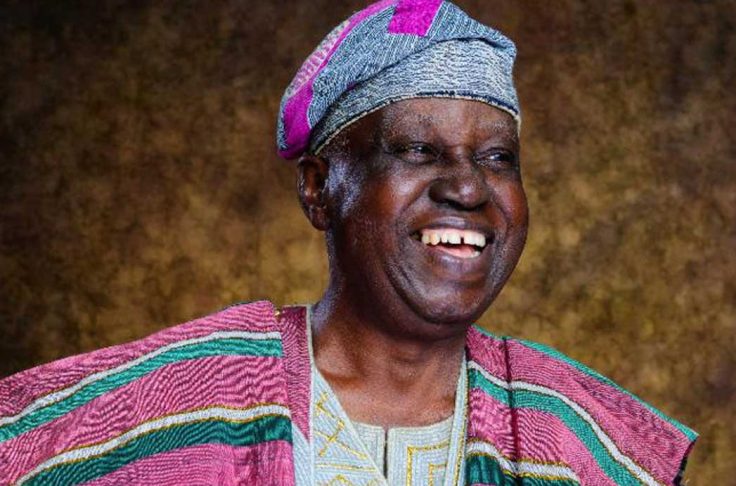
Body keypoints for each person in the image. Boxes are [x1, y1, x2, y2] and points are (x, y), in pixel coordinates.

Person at [0, 1, 696, 484]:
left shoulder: (576, 434)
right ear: (318, 188)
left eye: (497, 158)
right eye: (417, 149)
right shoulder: (182, 398)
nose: (467, 188)